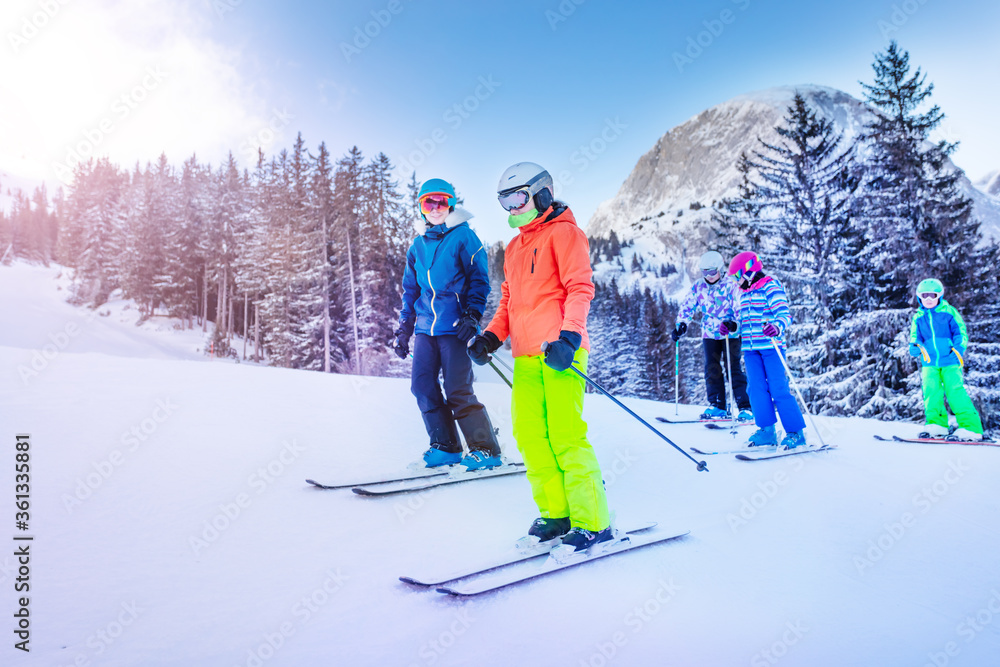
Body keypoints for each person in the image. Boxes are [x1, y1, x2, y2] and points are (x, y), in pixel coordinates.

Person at [467, 162, 611, 552]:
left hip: (561, 353)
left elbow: (580, 288)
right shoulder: (513, 248)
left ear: (542, 194)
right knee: (531, 437)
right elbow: (509, 302)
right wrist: (492, 337)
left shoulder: (566, 234)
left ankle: (593, 521)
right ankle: (557, 513)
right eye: (505, 201)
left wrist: (570, 337)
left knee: (566, 436)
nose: (512, 208)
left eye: (518, 198)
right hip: (527, 357)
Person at [393, 178, 502, 470]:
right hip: (425, 329)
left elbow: (480, 281)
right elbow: (411, 290)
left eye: (441, 201)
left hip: (455, 327)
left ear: (451, 204)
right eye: (429, 202)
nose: (436, 208)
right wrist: (404, 328)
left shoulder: (464, 237)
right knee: (422, 386)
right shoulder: (417, 246)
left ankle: (486, 449)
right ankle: (446, 446)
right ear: (421, 208)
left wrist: (471, 316)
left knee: (457, 389)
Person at [726, 251, 807, 449]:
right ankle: (767, 431)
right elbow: (743, 323)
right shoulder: (744, 294)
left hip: (771, 347)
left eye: (737, 276)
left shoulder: (770, 286)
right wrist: (732, 326)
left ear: (749, 271)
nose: (736, 282)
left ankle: (796, 433)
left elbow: (784, 314)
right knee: (755, 389)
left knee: (779, 389)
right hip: (751, 349)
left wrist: (777, 326)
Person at [673, 250, 753, 421]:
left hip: (730, 333)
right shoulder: (698, 286)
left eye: (712, 271)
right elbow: (688, 305)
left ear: (720, 269)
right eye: (704, 272)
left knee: (733, 368)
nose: (708, 276)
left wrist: (734, 325)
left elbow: (741, 307)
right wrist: (682, 324)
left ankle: (745, 407)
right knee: (712, 367)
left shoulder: (731, 285)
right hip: (709, 333)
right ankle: (718, 405)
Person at [908, 278, 984, 441]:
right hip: (929, 362)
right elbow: (915, 336)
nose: (928, 299)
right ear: (919, 297)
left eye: (932, 295)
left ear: (939, 296)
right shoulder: (918, 317)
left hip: (950, 359)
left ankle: (971, 427)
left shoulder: (949, 312)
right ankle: (937, 425)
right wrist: (915, 346)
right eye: (924, 295)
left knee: (955, 391)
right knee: (931, 392)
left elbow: (960, 332)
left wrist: (958, 350)